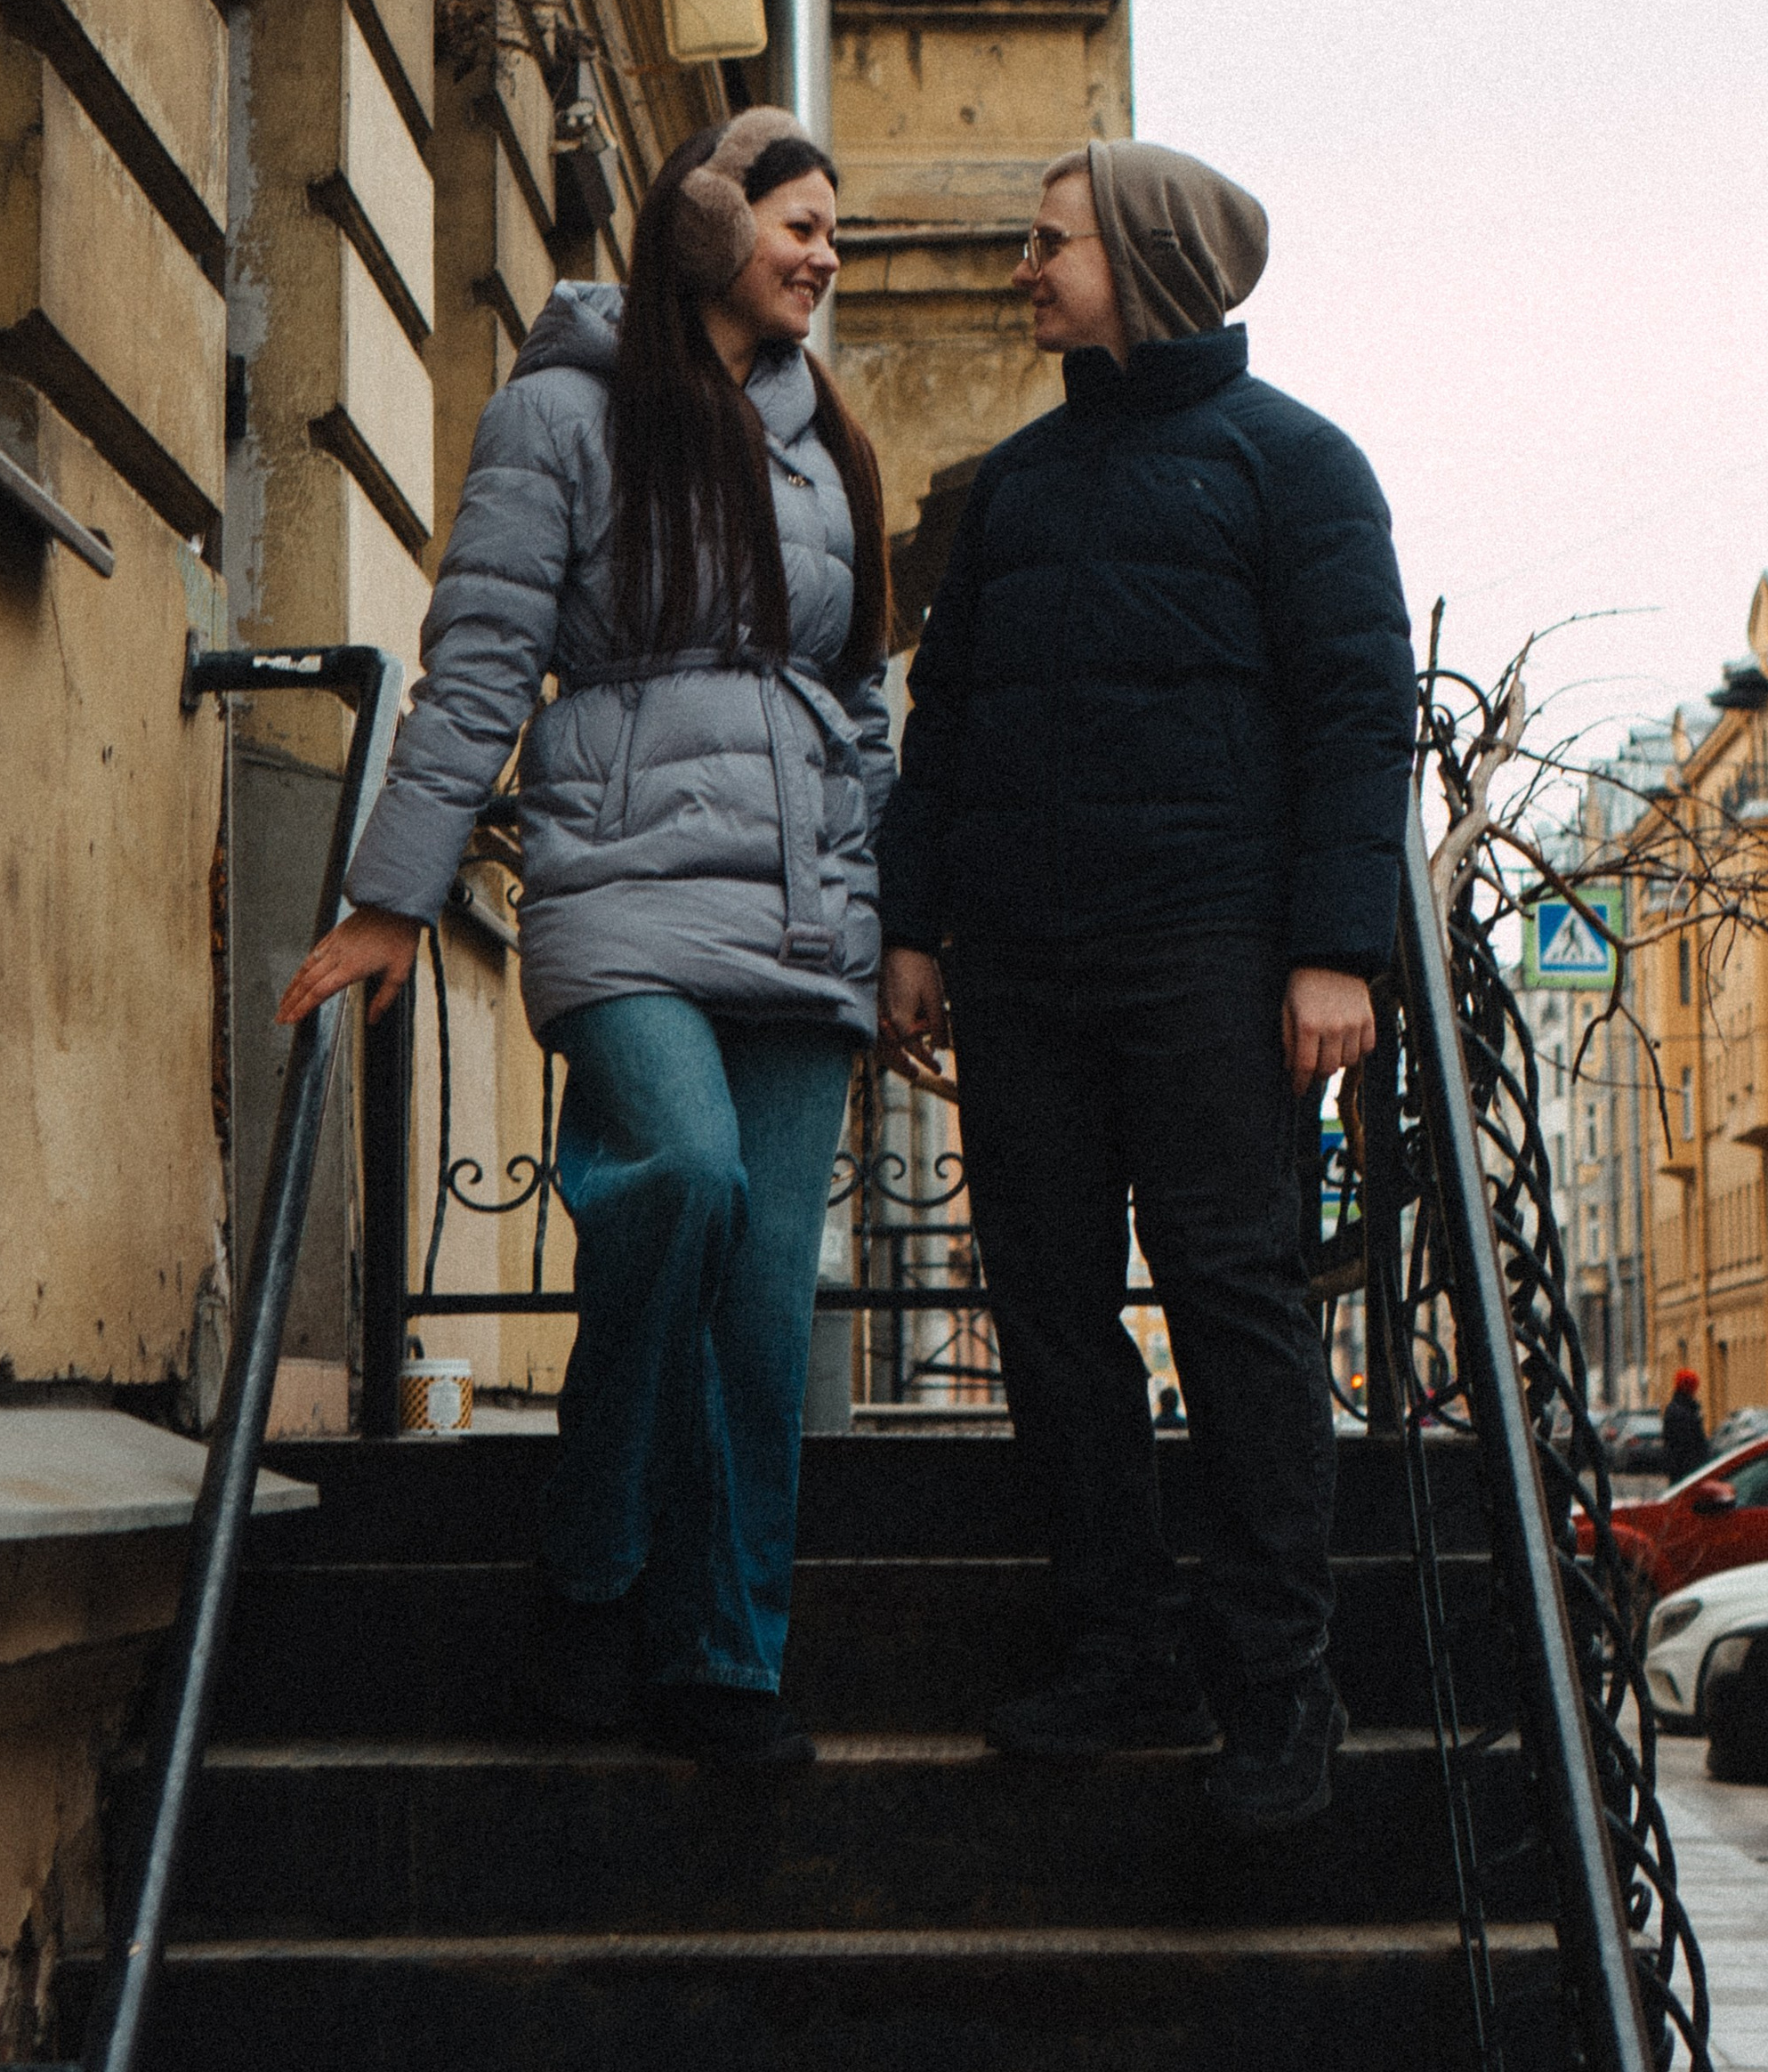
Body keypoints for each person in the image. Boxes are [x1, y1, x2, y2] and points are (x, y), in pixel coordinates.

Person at [277, 109, 892, 1762]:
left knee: (760, 1307)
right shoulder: (561, 413)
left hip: (802, 914)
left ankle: (723, 1664)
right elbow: (481, 659)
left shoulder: (828, 439)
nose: (825, 257)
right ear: (710, 226)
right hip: (621, 886)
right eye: (801, 225)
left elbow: (861, 700)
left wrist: (895, 925)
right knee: (680, 1177)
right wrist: (394, 895)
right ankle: (594, 1563)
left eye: (835, 233)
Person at [878, 141, 1418, 1834]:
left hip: (1210, 962)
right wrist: (914, 926)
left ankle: (1279, 1686)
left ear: (1146, 258)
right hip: (1024, 970)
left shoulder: (1298, 466)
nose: (1024, 269)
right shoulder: (1015, 486)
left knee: (1233, 1304)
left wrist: (1336, 951)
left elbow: (1358, 716)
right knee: (1048, 1311)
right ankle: (1121, 1649)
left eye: (1051, 243)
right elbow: (947, 721)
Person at [1661, 1369, 1711, 1483]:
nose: (1695, 1390)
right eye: (1693, 1386)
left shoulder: (1679, 1408)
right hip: (1686, 1470)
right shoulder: (1683, 1410)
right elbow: (1687, 1443)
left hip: (1682, 1468)